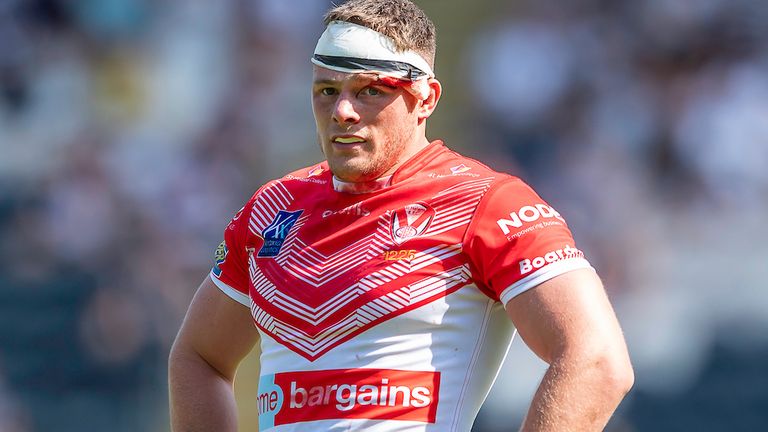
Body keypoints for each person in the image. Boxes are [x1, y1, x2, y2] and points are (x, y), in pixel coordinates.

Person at [168, 0, 634, 430]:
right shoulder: (271, 208)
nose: (342, 111)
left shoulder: (488, 202)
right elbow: (198, 357)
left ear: (427, 99)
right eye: (326, 90)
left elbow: (596, 360)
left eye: (370, 91)